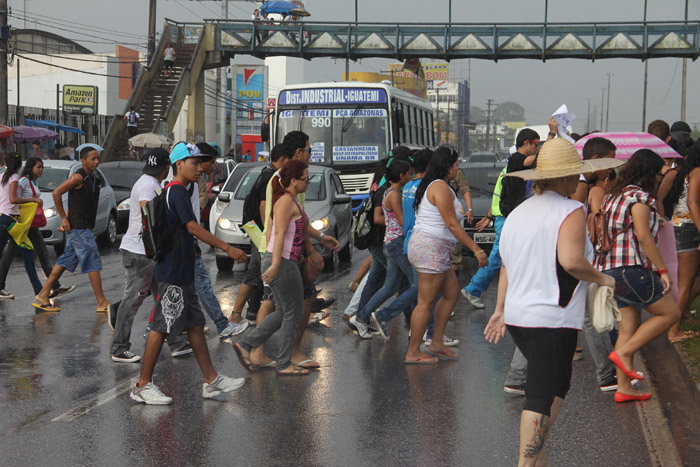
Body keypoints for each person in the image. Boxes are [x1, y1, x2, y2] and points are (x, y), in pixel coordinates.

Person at [484, 138, 619, 466]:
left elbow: (507, 266)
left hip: (519, 317)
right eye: (575, 174)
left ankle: (534, 461)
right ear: (563, 178)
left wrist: (501, 310)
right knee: (542, 396)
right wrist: (603, 278)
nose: (579, 180)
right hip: (552, 319)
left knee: (555, 386)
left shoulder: (518, 213)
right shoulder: (570, 210)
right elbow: (572, 261)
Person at [130, 142, 248, 405]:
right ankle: (142, 385)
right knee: (161, 327)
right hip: (172, 274)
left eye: (200, 163)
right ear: (179, 164)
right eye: (195, 163)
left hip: (182, 273)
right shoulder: (176, 192)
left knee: (195, 325)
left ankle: (211, 380)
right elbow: (193, 227)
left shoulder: (180, 190)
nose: (200, 169)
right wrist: (228, 247)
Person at [596, 149, 682, 402]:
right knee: (670, 313)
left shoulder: (614, 195)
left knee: (628, 327)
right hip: (629, 269)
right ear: (649, 173)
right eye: (658, 174)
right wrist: (663, 271)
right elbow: (643, 237)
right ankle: (625, 354)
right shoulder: (640, 197)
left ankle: (624, 388)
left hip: (609, 270)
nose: (659, 179)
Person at [255, 131, 339, 369]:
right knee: (289, 303)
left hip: (280, 251)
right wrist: (309, 252)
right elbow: (283, 225)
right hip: (281, 253)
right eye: (309, 150)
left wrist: (320, 238)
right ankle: (282, 353)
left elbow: (296, 222)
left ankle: (262, 350)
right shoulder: (287, 181)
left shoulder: (288, 181)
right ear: (299, 152)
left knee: (277, 303)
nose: (311, 155)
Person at [404, 147, 488, 364]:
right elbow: (451, 223)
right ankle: (413, 352)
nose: (457, 169)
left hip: (436, 249)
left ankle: (436, 342)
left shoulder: (439, 186)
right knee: (425, 302)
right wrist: (476, 249)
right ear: (447, 166)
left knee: (451, 293)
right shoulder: (439, 187)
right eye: (456, 165)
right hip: (430, 248)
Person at [110, 148, 191, 363]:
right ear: (167, 167)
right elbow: (150, 214)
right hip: (140, 252)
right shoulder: (148, 185)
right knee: (133, 300)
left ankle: (176, 342)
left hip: (148, 252)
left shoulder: (150, 182)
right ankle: (119, 348)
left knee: (166, 296)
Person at [233, 160, 313, 375]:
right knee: (293, 313)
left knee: (283, 311)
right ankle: (285, 363)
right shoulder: (286, 201)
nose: (308, 182)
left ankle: (246, 344)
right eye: (306, 179)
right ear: (294, 181)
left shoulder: (292, 200)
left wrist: (323, 237)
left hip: (283, 261)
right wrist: (276, 264)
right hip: (283, 262)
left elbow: (304, 227)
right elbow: (277, 235)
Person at [461, 128, 541, 309]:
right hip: (506, 219)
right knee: (499, 258)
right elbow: (537, 160)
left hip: (508, 218)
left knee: (509, 258)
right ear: (527, 143)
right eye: (536, 144)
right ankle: (474, 288)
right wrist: (553, 136)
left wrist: (489, 215)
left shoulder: (512, 167)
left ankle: (481, 290)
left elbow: (499, 195)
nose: (537, 149)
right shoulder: (516, 161)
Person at [32, 144, 111, 313]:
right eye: (93, 159)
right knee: (93, 260)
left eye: (97, 158)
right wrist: (64, 219)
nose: (96, 161)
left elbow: (74, 200)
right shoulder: (78, 177)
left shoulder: (93, 177)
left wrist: (66, 220)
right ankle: (101, 301)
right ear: (83, 161)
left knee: (64, 261)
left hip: (81, 227)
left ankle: (43, 295)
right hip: (80, 227)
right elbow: (56, 193)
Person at [229, 143, 293, 326]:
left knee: (253, 274)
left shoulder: (263, 174)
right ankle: (257, 318)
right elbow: (264, 206)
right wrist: (271, 233)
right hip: (263, 236)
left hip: (257, 234)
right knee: (267, 275)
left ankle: (241, 313)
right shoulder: (271, 177)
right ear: (282, 160)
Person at [351, 159, 414, 338]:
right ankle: (386, 316)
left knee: (389, 287)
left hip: (390, 242)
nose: (411, 177)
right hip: (396, 243)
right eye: (409, 174)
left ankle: (361, 317)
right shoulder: (394, 194)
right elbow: (402, 221)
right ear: (401, 176)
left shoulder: (390, 191)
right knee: (414, 284)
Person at [0, 157, 74, 300]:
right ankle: (42, 290)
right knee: (17, 256)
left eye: (42, 167)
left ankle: (53, 287)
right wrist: (32, 201)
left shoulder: (32, 181)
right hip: (20, 223)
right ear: (29, 167)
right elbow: (14, 198)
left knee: (40, 254)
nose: (41, 170)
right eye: (38, 167)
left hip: (30, 224)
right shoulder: (21, 180)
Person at [0, 152, 52, 309]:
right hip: (11, 221)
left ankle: (40, 293)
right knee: (28, 254)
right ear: (20, 166)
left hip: (4, 219)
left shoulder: (2, 176)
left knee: (22, 254)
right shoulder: (14, 178)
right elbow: (13, 199)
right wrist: (33, 199)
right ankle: (40, 295)